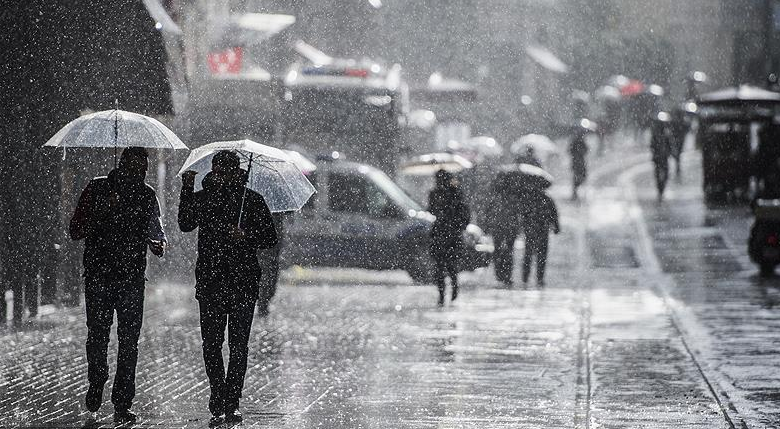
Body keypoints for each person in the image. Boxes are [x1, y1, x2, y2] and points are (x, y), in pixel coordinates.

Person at [178, 151, 278, 426]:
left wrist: (246, 235)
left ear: (236, 173)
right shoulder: (205, 197)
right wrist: (187, 189)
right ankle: (217, 391)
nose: (219, 176)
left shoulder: (252, 200)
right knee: (211, 344)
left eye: (224, 171)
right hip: (211, 281)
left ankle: (232, 399)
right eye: (216, 171)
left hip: (243, 281)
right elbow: (185, 223)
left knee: (238, 345)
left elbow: (270, 238)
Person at [69, 147, 166, 423]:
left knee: (129, 342)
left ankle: (123, 401)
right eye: (134, 168)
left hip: (132, 278)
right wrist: (103, 209)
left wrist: (158, 244)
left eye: (143, 170)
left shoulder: (146, 195)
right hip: (99, 276)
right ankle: (97, 379)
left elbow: (156, 230)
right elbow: (75, 230)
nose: (139, 174)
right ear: (122, 166)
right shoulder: (97, 189)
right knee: (97, 336)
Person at [428, 170, 470, 306]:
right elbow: (431, 210)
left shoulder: (454, 193)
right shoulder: (436, 194)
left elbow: (463, 213)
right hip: (443, 234)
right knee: (443, 267)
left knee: (447, 266)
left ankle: (450, 290)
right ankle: (444, 294)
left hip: (448, 234)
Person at [486, 172, 522, 285]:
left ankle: (499, 274)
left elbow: (488, 212)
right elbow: (518, 213)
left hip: (498, 227)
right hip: (510, 228)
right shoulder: (514, 197)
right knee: (508, 251)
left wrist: (488, 225)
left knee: (498, 250)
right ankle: (507, 274)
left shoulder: (495, 196)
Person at [520, 189, 560, 286]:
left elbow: (523, 215)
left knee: (528, 254)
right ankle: (539, 278)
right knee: (541, 255)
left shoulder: (529, 199)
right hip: (542, 231)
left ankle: (525, 277)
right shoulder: (547, 199)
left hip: (531, 231)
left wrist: (524, 226)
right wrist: (556, 227)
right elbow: (554, 215)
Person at [257, 212, 285, 317]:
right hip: (265, 251)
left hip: (271, 252)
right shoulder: (262, 213)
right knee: (267, 277)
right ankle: (262, 301)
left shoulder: (278, 215)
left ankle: (263, 300)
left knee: (269, 277)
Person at [650, 113, 672, 200]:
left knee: (664, 173)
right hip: (658, 158)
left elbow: (670, 145)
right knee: (659, 173)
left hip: (663, 157)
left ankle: (661, 188)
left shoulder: (666, 133)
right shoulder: (656, 133)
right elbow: (652, 145)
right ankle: (660, 189)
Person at [569, 128, 589, 200]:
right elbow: (570, 150)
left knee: (580, 176)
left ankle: (576, 192)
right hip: (577, 162)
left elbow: (586, 150)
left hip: (579, 162)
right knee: (577, 177)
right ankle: (575, 192)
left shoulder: (580, 141)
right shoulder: (576, 141)